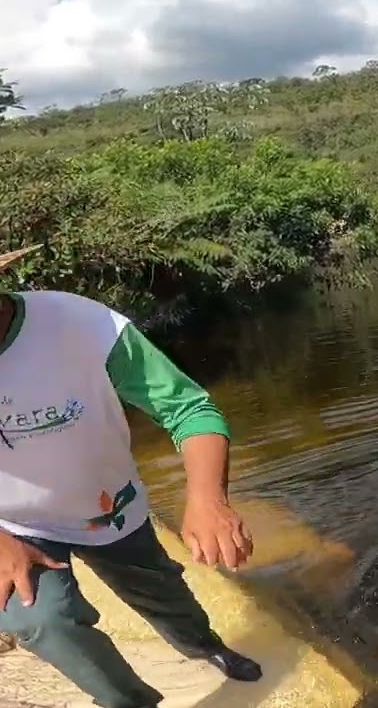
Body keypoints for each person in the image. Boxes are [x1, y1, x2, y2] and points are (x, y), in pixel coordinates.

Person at [0, 244, 262, 708]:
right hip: (12, 525)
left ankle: (205, 647)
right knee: (38, 621)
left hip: (107, 506)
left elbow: (187, 409)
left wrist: (207, 499)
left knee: (164, 594)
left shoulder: (78, 325)